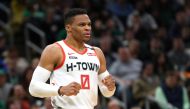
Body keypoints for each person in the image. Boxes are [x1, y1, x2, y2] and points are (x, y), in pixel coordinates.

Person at [29, 8, 116, 109]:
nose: (87, 28)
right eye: (82, 25)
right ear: (68, 28)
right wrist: (60, 89)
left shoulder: (97, 52)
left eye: (89, 24)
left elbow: (106, 93)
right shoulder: (54, 50)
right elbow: (33, 88)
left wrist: (111, 87)